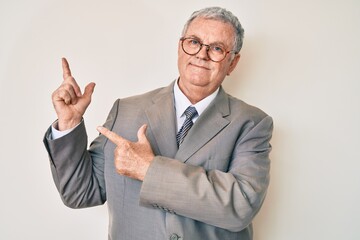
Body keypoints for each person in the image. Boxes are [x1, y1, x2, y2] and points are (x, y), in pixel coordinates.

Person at [43, 6, 273, 240]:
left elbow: (241, 206)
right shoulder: (126, 111)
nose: (201, 55)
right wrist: (69, 123)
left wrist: (149, 170)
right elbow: (81, 193)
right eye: (194, 42)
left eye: (216, 48)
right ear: (180, 47)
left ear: (232, 63)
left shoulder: (252, 123)